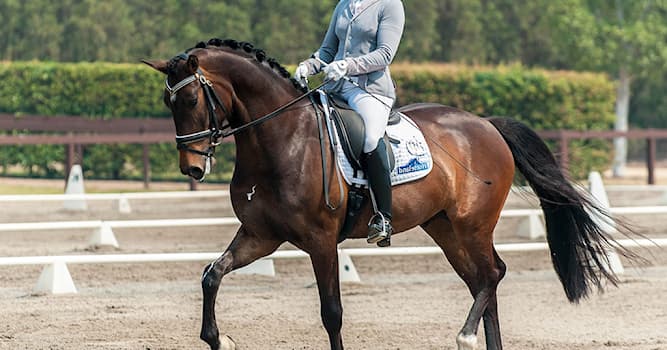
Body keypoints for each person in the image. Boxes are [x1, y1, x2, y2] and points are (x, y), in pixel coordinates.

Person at [294, 0, 405, 246]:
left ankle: (383, 217)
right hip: (336, 87)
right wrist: (308, 66)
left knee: (370, 139)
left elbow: (385, 54)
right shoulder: (344, 4)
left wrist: (348, 65)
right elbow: (327, 51)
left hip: (369, 90)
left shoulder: (390, 5)